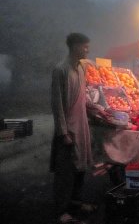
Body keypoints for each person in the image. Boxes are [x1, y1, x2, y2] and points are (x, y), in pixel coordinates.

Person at [50, 33, 95, 224]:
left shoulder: (80, 68)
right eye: (85, 47)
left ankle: (76, 202)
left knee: (80, 167)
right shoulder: (61, 70)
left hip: (81, 124)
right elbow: (57, 104)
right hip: (68, 127)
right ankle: (62, 212)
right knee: (66, 171)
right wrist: (63, 132)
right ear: (75, 47)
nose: (88, 50)